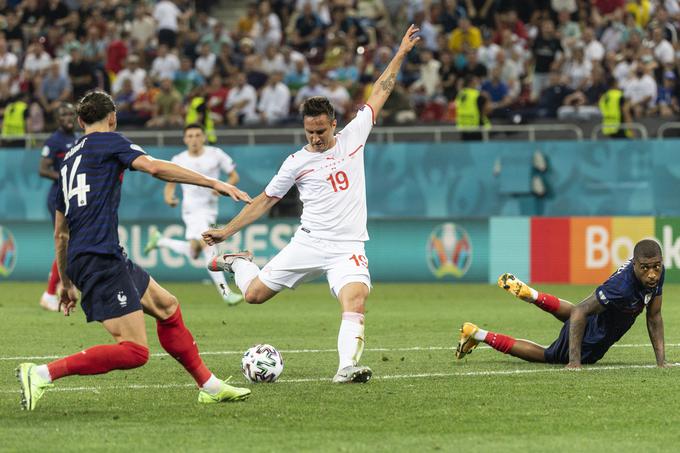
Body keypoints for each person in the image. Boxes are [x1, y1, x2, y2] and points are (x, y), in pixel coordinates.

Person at [202, 25, 422, 384]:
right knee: (254, 295)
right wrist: (227, 231)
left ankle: (345, 368)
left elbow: (382, 89)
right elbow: (264, 201)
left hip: (347, 247)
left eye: (321, 131)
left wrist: (399, 54)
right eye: (310, 133)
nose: (316, 138)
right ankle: (239, 262)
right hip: (309, 242)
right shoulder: (296, 162)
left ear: (334, 124)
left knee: (356, 301)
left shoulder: (354, 136)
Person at [16, 91, 253, 411]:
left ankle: (208, 385)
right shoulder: (110, 141)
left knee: (167, 307)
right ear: (112, 119)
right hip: (99, 258)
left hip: (98, 256)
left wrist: (68, 283)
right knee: (134, 351)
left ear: (81, 121)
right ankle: (42, 373)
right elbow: (154, 167)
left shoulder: (68, 160)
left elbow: (60, 234)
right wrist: (213, 183)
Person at [456, 239, 666, 369]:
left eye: (656, 267)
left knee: (579, 311)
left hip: (595, 319)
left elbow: (654, 316)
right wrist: (574, 361)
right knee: (547, 355)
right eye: (646, 268)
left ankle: (534, 296)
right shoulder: (621, 287)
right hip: (590, 337)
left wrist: (661, 362)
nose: (652, 274)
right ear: (635, 264)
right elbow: (580, 313)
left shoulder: (657, 273)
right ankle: (478, 334)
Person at [144, 123, 243, 305]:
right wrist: (169, 197)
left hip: (210, 209)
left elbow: (234, 176)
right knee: (208, 245)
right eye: (190, 136)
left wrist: (220, 189)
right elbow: (170, 181)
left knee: (194, 251)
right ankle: (225, 292)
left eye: (197, 135)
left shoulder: (216, 154)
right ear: (185, 139)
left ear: (203, 137)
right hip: (192, 209)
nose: (194, 139)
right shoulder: (179, 158)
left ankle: (160, 241)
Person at [37, 103, 78, 311]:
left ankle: (60, 285)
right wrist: (64, 177)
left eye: (71, 113)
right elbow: (43, 169)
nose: (68, 117)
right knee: (65, 242)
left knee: (71, 243)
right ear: (57, 119)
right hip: (57, 198)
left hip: (72, 197)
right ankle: (50, 292)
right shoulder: (54, 141)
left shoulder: (78, 139)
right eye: (63, 114)